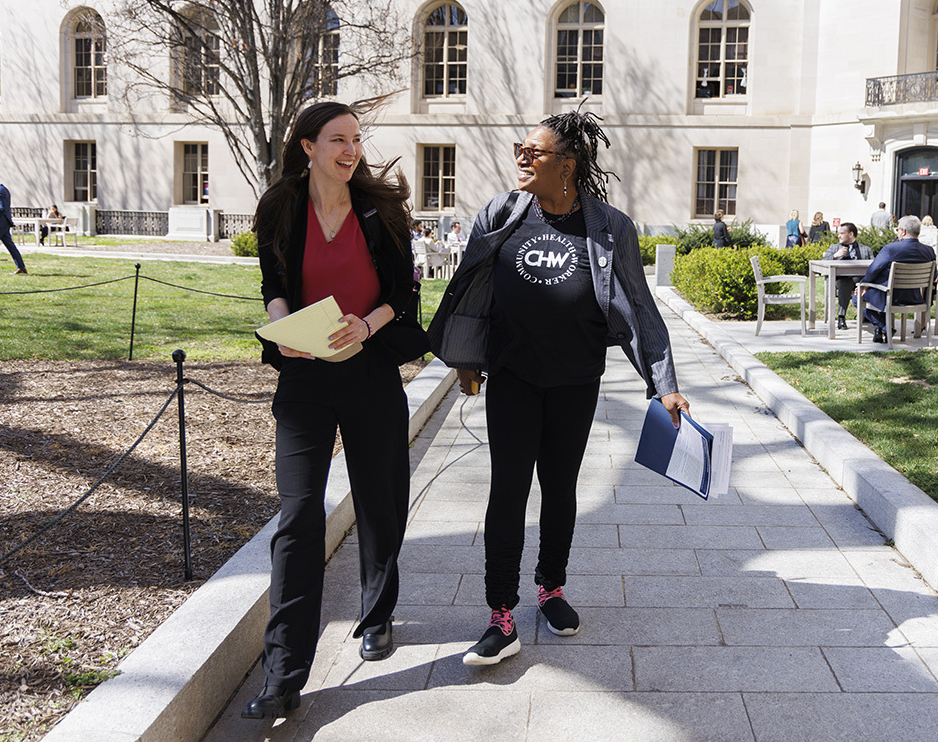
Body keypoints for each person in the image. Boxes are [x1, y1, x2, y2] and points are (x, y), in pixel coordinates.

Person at [427, 109, 690, 667]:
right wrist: (467, 358)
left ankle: (551, 589)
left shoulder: (610, 226)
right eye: (519, 148)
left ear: (567, 165)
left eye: (534, 152)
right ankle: (501, 612)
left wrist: (663, 384)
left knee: (560, 486)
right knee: (508, 489)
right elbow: (473, 288)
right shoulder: (502, 211)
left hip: (575, 380)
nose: (521, 157)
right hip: (514, 376)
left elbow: (639, 305)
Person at [243, 100, 419, 720]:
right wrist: (280, 326)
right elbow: (273, 285)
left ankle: (377, 615)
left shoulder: (380, 211)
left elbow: (404, 291)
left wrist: (366, 326)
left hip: (369, 369)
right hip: (305, 374)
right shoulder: (281, 209)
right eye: (338, 139)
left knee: (380, 496)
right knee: (296, 516)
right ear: (307, 146)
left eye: (356, 140)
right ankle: (284, 672)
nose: (351, 151)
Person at [858, 214, 936, 344]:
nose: (898, 232)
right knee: (873, 293)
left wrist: (862, 285)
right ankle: (883, 328)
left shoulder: (890, 249)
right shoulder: (929, 251)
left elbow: (873, 270)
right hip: (914, 297)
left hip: (890, 296)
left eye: (898, 229)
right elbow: (933, 277)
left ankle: (884, 327)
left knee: (857, 297)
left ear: (903, 232)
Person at [821, 222, 874, 330]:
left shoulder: (865, 249)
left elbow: (873, 267)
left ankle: (871, 315)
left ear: (851, 235)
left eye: (842, 233)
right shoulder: (834, 248)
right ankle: (841, 317)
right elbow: (823, 263)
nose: (838, 236)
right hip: (839, 281)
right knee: (846, 283)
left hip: (860, 282)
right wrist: (835, 256)